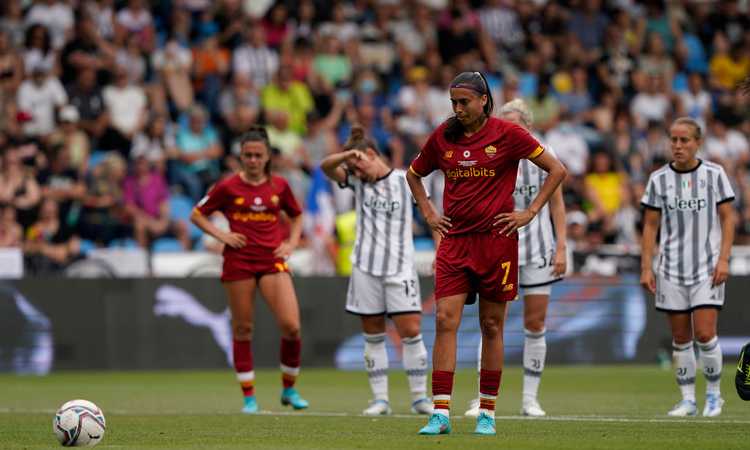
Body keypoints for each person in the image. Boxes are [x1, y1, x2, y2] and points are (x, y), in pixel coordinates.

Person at [406, 72, 567, 436]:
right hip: (455, 242)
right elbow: (413, 174)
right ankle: (441, 412)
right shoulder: (443, 137)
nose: (458, 109)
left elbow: (557, 170)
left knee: (492, 325)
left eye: (464, 102)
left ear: (484, 101)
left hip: (497, 243)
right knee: (445, 320)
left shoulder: (508, 135)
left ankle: (488, 413)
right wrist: (430, 214)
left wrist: (529, 212)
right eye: (454, 103)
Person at [190, 125, 308, 414]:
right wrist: (224, 237)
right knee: (243, 328)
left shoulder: (279, 186)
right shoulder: (228, 186)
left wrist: (291, 243)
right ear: (240, 157)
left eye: (258, 155)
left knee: (291, 326)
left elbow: (296, 215)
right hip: (239, 261)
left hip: (271, 260)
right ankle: (249, 397)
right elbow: (197, 214)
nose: (253, 160)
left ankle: (289, 389)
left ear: (268, 156)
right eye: (247, 155)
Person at [464, 98, 567, 418]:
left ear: (528, 126)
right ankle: (482, 398)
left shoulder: (545, 154)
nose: (506, 130)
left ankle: (530, 399)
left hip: (538, 249)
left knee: (535, 324)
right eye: (502, 124)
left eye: (513, 124)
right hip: (497, 248)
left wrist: (561, 246)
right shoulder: (488, 153)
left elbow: (557, 205)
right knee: (491, 325)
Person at [320, 125, 432, 416]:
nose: (356, 172)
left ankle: (420, 397)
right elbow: (325, 167)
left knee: (411, 331)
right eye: (351, 168)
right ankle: (380, 399)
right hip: (366, 269)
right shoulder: (357, 183)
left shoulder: (405, 179)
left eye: (357, 164)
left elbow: (432, 215)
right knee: (373, 334)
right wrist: (347, 155)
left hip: (400, 268)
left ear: (371, 154)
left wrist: (441, 248)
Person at [640, 117, 735, 417]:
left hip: (707, 267)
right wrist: (646, 266)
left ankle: (714, 396)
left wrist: (723, 259)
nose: (678, 146)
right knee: (681, 339)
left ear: (698, 143)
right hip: (670, 268)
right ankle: (687, 400)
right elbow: (650, 225)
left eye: (685, 140)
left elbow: (728, 219)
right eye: (674, 140)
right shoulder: (658, 179)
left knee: (705, 334)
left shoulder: (715, 174)